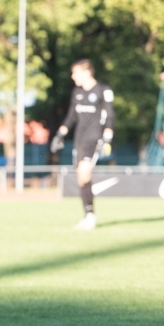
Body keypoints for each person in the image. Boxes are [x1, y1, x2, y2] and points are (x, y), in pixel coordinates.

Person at [50, 59, 114, 230]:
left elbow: (110, 116)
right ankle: (89, 214)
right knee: (81, 177)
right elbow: (71, 116)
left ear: (86, 72)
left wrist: (108, 138)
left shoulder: (103, 90)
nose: (73, 76)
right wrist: (60, 134)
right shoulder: (77, 92)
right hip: (79, 139)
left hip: (94, 138)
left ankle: (90, 217)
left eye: (75, 72)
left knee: (85, 172)